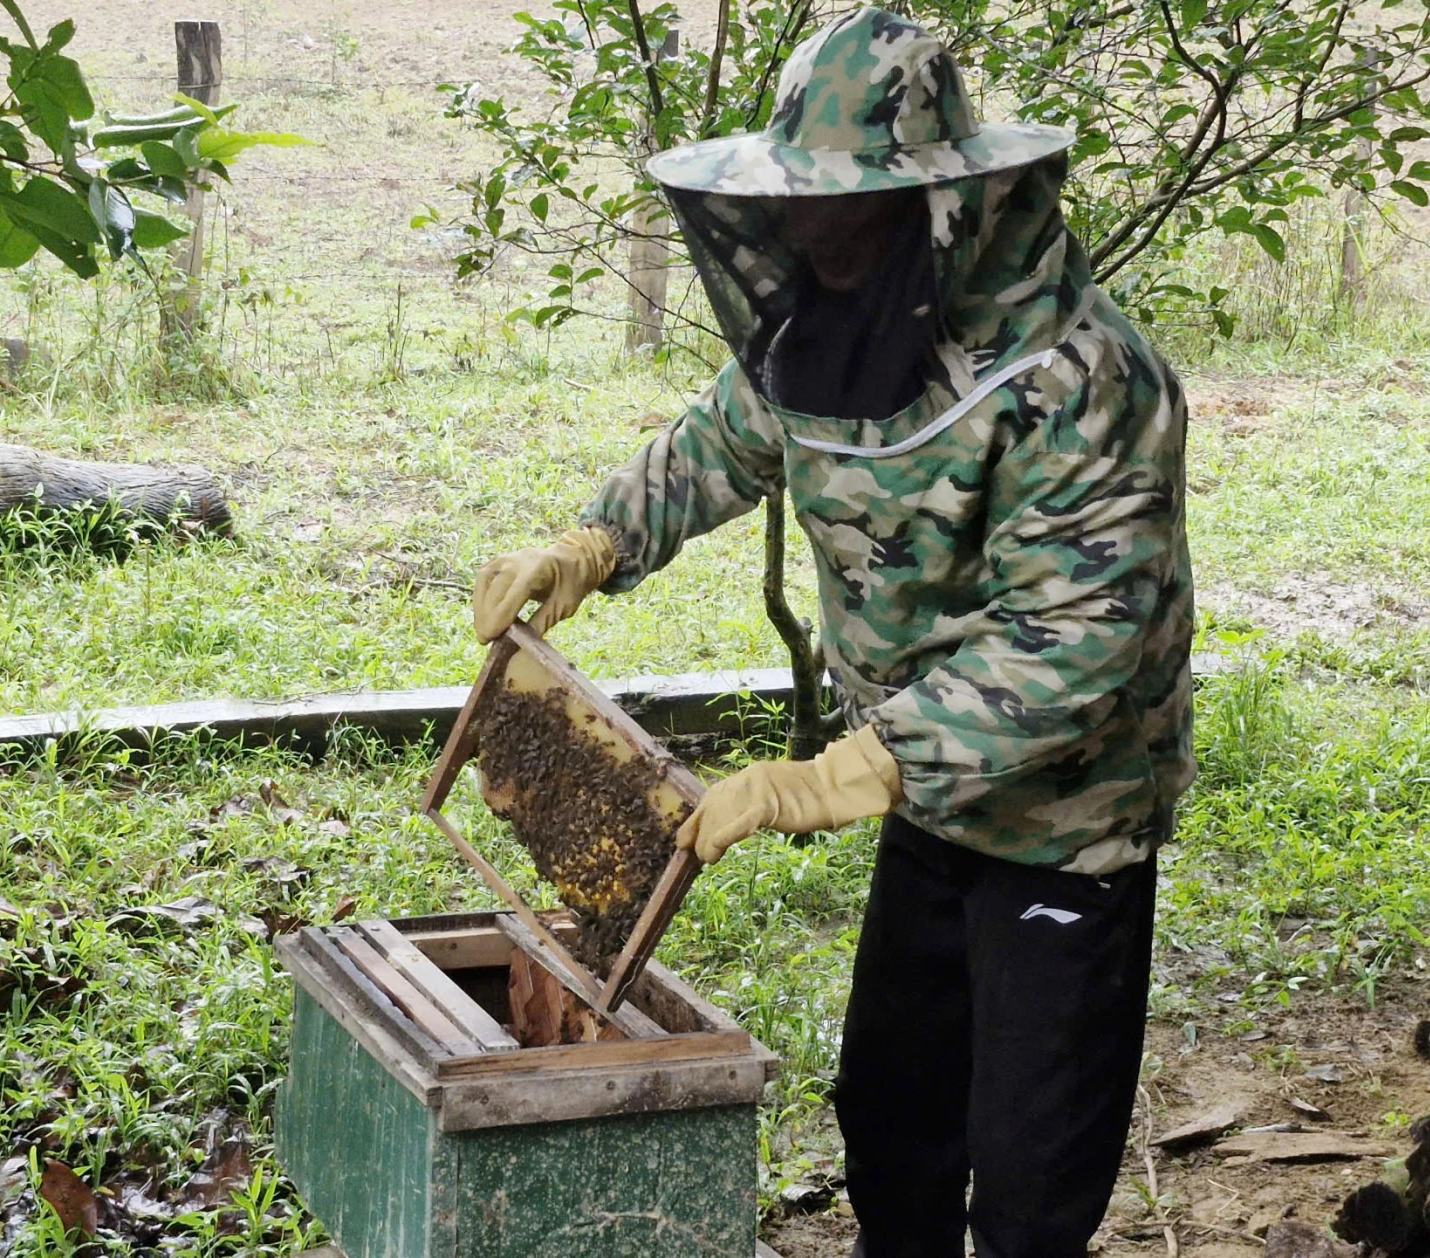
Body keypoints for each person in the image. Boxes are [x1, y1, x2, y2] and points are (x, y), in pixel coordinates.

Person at [471, 8, 1193, 1256]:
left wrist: (842, 773)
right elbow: (720, 444)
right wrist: (589, 542)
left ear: (945, 201)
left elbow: (1075, 639)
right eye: (800, 203)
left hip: (1068, 823)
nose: (814, 232)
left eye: (846, 206)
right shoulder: (827, 316)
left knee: (1030, 1172)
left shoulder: (1084, 378)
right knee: (893, 1112)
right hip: (926, 804)